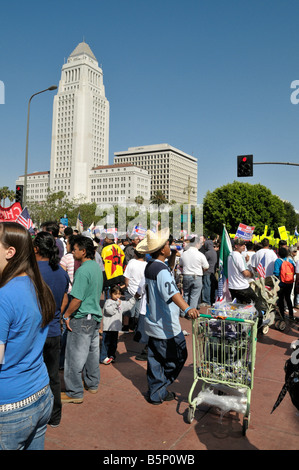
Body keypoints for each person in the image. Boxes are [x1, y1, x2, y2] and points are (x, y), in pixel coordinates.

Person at [0, 222, 56, 450]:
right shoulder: (36, 285)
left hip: (11, 407)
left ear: (9, 252)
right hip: (41, 394)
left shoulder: (4, 296)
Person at [136, 228, 200, 405]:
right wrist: (188, 309)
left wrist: (171, 255)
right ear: (161, 248)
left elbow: (168, 269)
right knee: (178, 356)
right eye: (167, 244)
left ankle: (156, 393)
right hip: (166, 325)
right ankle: (160, 388)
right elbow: (172, 293)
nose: (170, 245)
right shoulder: (160, 271)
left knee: (155, 359)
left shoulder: (151, 266)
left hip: (153, 322)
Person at [33, 232, 70, 427]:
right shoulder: (61, 271)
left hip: (35, 333)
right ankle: (55, 417)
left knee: (32, 375)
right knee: (53, 376)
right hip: (54, 331)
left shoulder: (30, 270)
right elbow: (64, 298)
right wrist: (58, 314)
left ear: (36, 249)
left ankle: (36, 416)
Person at [61, 236, 103, 403]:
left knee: (73, 358)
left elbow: (77, 298)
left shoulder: (83, 270)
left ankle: (74, 391)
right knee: (92, 354)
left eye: (75, 249)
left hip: (82, 317)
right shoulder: (95, 267)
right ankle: (92, 384)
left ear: (83, 251)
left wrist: (66, 315)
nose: (72, 251)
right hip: (94, 317)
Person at [227, 238, 264, 326]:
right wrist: (254, 274)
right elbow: (246, 273)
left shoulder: (231, 255)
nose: (244, 246)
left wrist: (245, 261)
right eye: (241, 245)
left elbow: (237, 268)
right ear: (236, 246)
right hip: (242, 287)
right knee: (256, 302)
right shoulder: (238, 256)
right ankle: (258, 324)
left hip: (233, 286)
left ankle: (239, 325)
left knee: (238, 308)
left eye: (244, 244)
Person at [100, 285, 136, 364]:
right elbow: (109, 311)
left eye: (119, 294)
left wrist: (134, 298)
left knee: (113, 343)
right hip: (108, 328)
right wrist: (116, 304)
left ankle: (111, 355)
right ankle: (103, 357)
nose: (117, 296)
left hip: (116, 328)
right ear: (110, 293)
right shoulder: (108, 302)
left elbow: (128, 305)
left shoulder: (120, 302)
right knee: (106, 343)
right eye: (115, 294)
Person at [179, 237, 209, 310]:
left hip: (186, 275)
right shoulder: (200, 254)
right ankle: (191, 313)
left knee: (186, 295)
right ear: (197, 244)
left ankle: (183, 311)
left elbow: (180, 264)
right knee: (194, 296)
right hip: (197, 276)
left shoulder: (184, 253)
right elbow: (206, 266)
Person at [123, 249, 147, 331]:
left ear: (135, 254)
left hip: (131, 289)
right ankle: (136, 327)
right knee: (139, 310)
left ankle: (126, 327)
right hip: (141, 291)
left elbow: (127, 277)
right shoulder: (146, 265)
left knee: (128, 310)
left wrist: (127, 286)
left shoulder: (131, 262)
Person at [273, 246, 296, 322]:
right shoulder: (290, 260)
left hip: (281, 283)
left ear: (279, 253)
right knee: (288, 298)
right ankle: (291, 315)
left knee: (281, 299)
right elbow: (295, 270)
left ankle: (282, 316)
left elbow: (276, 272)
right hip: (290, 282)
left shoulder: (278, 261)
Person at [201, 239, 217, 306]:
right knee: (211, 287)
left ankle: (206, 301)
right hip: (212, 271)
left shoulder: (208, 253)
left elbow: (203, 262)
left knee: (206, 287)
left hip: (207, 272)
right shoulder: (214, 252)